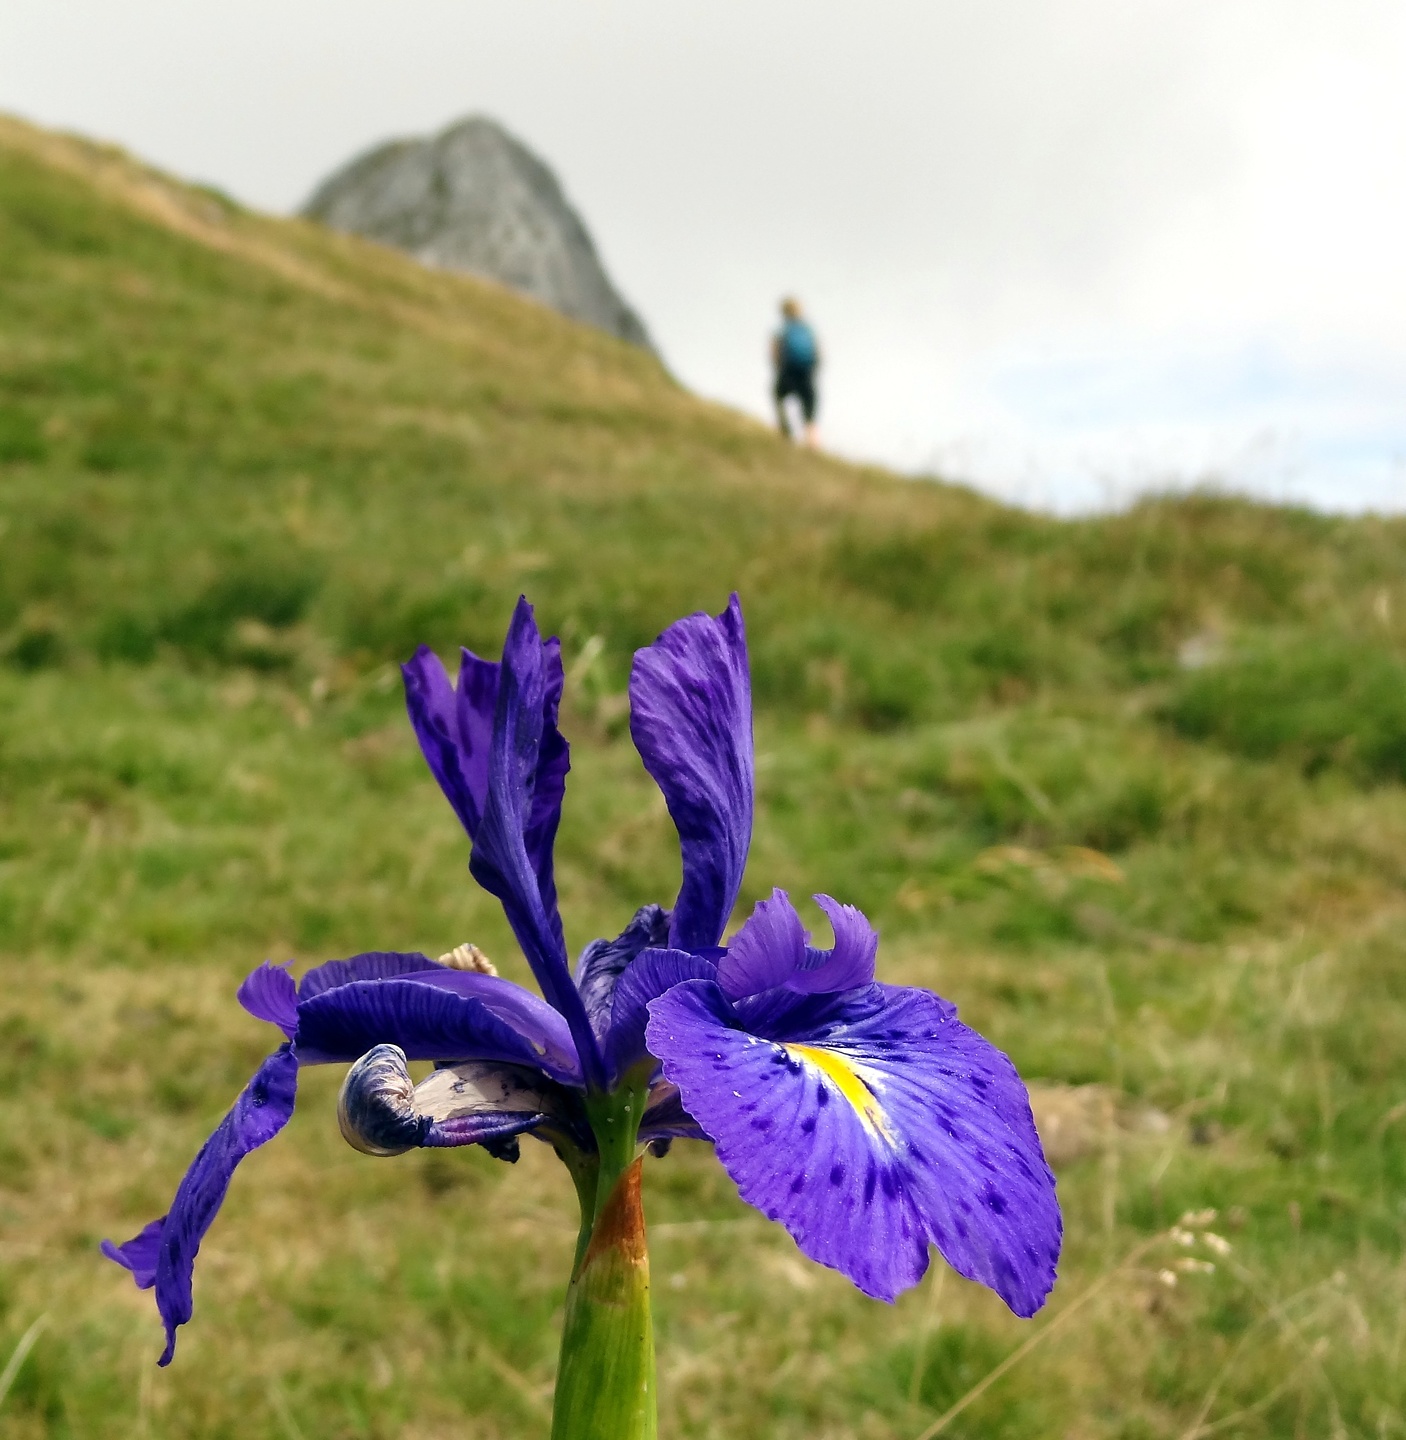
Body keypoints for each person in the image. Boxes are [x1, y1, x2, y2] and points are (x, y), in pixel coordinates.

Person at [771, 297, 820, 446]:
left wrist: (780, 369)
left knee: (778, 396)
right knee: (809, 412)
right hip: (807, 373)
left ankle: (785, 430)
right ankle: (812, 445)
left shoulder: (782, 331)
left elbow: (775, 354)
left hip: (788, 372)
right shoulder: (808, 330)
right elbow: (818, 353)